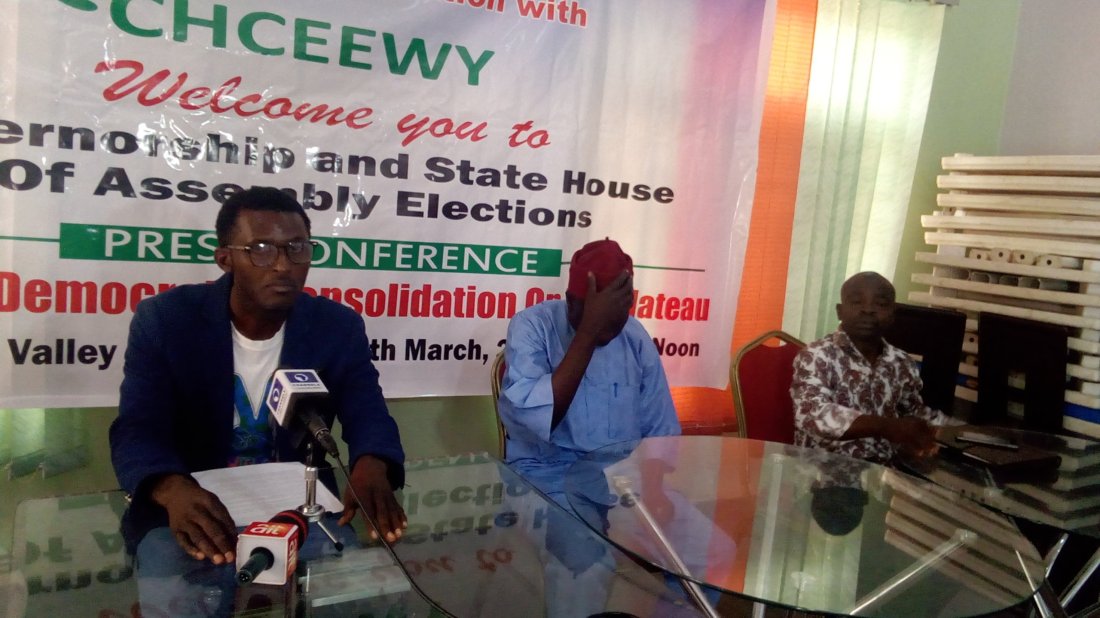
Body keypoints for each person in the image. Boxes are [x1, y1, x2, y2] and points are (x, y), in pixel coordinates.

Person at [110, 186, 406, 565]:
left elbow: (369, 414)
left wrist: (372, 464)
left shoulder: (336, 326)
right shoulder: (167, 321)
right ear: (225, 259)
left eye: (297, 248)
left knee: (352, 586)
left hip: (301, 510)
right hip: (195, 507)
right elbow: (138, 428)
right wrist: (170, 487)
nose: (283, 265)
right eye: (261, 250)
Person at [497, 238, 681, 504]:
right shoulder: (532, 325)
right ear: (570, 300)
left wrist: (653, 493)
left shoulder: (635, 335)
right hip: (548, 474)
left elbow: (659, 428)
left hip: (623, 475)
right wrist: (588, 332)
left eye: (615, 318)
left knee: (697, 530)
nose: (606, 330)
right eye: (596, 316)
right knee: (578, 533)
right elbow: (537, 420)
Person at [791, 271, 953, 464]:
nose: (868, 310)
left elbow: (914, 412)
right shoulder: (817, 355)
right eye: (856, 302)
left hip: (885, 472)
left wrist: (955, 430)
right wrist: (886, 426)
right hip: (822, 473)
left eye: (880, 304)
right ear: (840, 311)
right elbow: (812, 415)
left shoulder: (902, 363)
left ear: (892, 314)